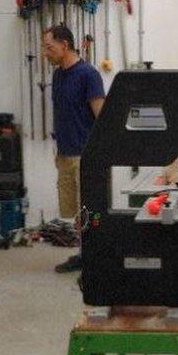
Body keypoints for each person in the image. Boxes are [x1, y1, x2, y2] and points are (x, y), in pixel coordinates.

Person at [42, 25, 105, 273]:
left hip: (85, 155)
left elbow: (103, 117)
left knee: (90, 211)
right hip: (65, 154)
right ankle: (84, 254)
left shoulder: (88, 74)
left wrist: (102, 154)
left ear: (64, 45)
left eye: (49, 47)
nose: (45, 52)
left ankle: (96, 257)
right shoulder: (58, 75)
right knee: (76, 212)